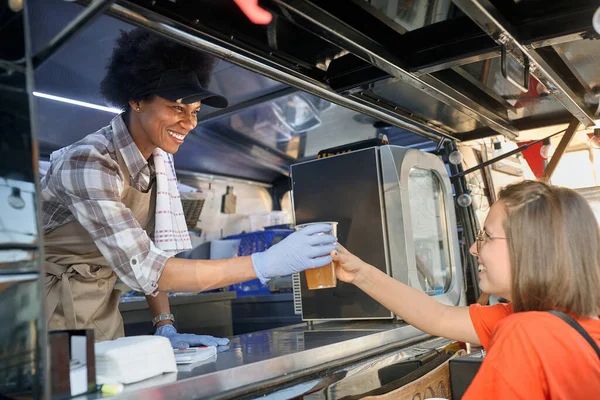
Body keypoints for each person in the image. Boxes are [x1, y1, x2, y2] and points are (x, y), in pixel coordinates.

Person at [41, 28, 337, 347]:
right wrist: (265, 263)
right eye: (177, 108)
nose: (190, 123)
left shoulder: (158, 161)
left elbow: (153, 251)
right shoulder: (89, 164)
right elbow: (151, 269)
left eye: (194, 111)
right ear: (137, 99)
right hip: (46, 313)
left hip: (102, 314)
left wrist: (164, 325)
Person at [331, 180, 600, 399]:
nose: (473, 249)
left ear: (530, 248)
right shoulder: (565, 319)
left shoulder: (526, 332)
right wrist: (360, 273)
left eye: (487, 237)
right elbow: (438, 317)